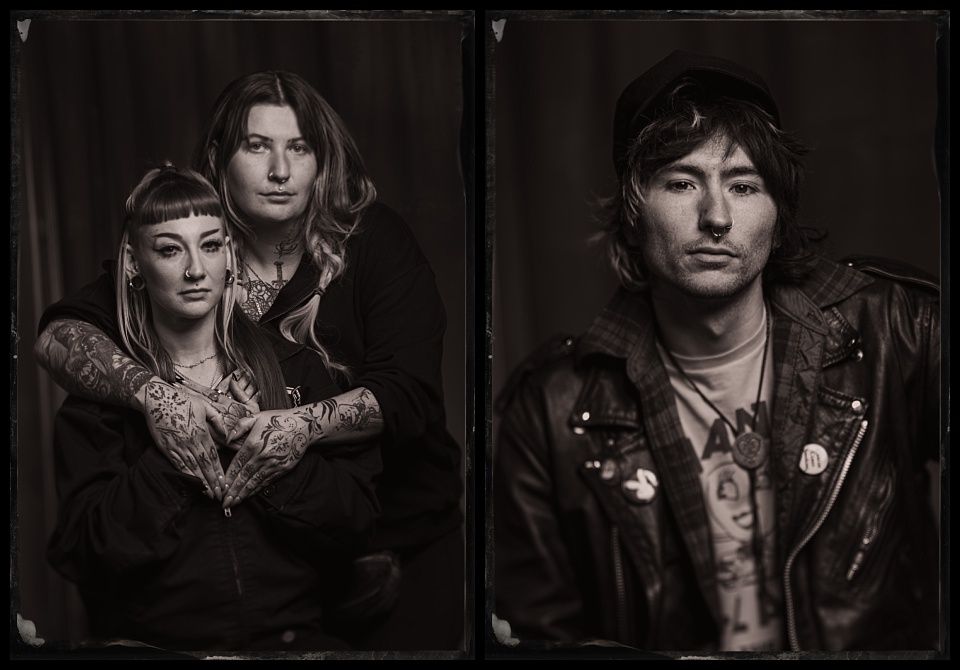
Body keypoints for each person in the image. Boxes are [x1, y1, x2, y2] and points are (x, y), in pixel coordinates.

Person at [493, 49, 940, 653]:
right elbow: (536, 639)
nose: (717, 217)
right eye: (681, 182)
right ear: (632, 212)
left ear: (778, 215)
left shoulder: (895, 329)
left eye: (744, 184)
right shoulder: (551, 410)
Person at [35, 70, 464, 651]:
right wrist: (156, 396)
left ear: (322, 159)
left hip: (400, 532)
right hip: (260, 574)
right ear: (218, 157)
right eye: (256, 146)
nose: (281, 171)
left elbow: (409, 393)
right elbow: (62, 335)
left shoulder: (373, 243)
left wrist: (295, 428)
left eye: (299, 147)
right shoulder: (193, 242)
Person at [46, 165, 382, 651]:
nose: (194, 270)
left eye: (209, 245)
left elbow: (357, 526)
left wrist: (269, 447)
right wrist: (175, 452)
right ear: (132, 263)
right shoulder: (102, 398)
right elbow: (88, 556)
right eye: (168, 249)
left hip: (294, 644)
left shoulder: (294, 368)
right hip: (159, 649)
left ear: (229, 254)